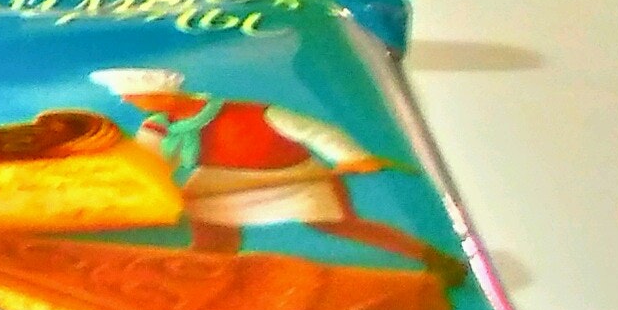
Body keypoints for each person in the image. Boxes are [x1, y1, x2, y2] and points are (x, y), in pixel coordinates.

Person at [94, 66, 454, 267]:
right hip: (219, 182)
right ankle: (208, 282)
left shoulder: (252, 112)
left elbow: (315, 132)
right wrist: (146, 194)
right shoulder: (159, 128)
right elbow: (152, 165)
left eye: (132, 95)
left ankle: (432, 257)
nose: (127, 100)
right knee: (212, 239)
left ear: (161, 93)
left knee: (339, 225)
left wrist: (350, 156)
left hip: (293, 177)